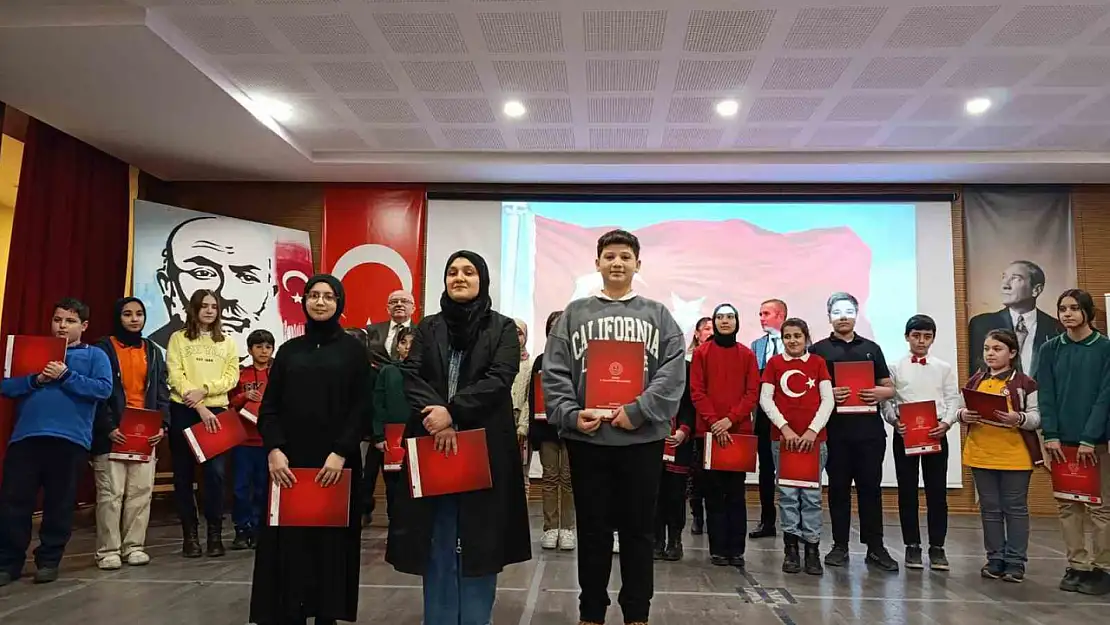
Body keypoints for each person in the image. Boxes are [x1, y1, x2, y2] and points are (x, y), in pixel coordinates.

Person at [543, 229, 685, 625]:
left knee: (639, 533)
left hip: (641, 441)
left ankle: (637, 613)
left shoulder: (659, 315)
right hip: (588, 440)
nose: (617, 263)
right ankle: (591, 613)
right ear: (597, 264)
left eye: (625, 256)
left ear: (638, 264)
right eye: (610, 256)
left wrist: (637, 411)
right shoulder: (573, 315)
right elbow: (554, 373)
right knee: (592, 532)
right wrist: (572, 415)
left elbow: (673, 374)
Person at [387, 251, 531, 625]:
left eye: (469, 272)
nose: (460, 278)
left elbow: (500, 378)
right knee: (437, 536)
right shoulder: (428, 327)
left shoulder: (501, 328)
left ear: (482, 279)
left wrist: (452, 412)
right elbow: (412, 375)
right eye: (452, 271)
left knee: (480, 540)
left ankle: (475, 618)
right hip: (433, 444)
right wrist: (439, 417)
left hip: (483, 448)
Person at [249, 275, 370, 625]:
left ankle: (326, 615)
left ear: (339, 303)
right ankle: (290, 613)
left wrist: (341, 452)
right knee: (290, 548)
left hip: (336, 464)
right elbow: (269, 408)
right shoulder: (289, 351)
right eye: (313, 295)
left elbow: (361, 408)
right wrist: (274, 449)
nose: (320, 302)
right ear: (304, 301)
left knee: (331, 549)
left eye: (328, 297)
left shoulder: (353, 352)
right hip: (289, 465)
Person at [0, 298, 112, 586]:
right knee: (14, 502)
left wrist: (66, 375)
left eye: (70, 321)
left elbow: (103, 390)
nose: (62, 325)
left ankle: (48, 561)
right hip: (26, 437)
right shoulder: (33, 350)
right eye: (58, 320)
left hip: (70, 440)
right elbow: (7, 386)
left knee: (58, 505)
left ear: (84, 326)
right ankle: (8, 562)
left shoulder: (95, 355)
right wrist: (35, 380)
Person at [808, 291, 899, 571]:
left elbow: (890, 387)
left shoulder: (872, 348)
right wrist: (829, 393)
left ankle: (876, 547)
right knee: (837, 490)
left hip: (870, 434)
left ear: (856, 314)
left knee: (870, 490)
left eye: (848, 311)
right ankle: (839, 546)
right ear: (829, 317)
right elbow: (808, 393)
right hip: (835, 433)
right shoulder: (818, 350)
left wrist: (878, 392)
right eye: (837, 312)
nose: (843, 317)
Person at [1036, 289, 1110, 595]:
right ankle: (1077, 564)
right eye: (1062, 308)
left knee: (1100, 506)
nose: (1067, 314)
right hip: (1060, 442)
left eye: (1074, 308)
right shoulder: (1050, 349)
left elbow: (1105, 397)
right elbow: (1046, 395)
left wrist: (1089, 438)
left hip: (1095, 442)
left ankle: (1103, 568)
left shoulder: (1105, 348)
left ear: (1088, 313)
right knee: (1068, 505)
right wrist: (1050, 434)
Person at [91, 297, 169, 570]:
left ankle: (134, 547)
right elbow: (99, 394)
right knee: (111, 494)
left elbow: (162, 392)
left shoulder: (153, 350)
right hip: (112, 432)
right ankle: (108, 551)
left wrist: (163, 425)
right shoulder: (102, 349)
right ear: (118, 317)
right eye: (127, 314)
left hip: (145, 434)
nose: (134, 319)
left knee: (140, 492)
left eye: (139, 314)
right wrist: (108, 427)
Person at [961, 328, 1042, 584]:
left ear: (1013, 353)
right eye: (987, 349)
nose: (990, 354)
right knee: (990, 509)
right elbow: (960, 409)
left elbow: (1037, 417)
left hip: (1015, 456)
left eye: (997, 349)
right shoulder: (976, 380)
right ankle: (995, 558)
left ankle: (1016, 562)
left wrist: (1018, 419)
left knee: (1015, 509)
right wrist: (963, 415)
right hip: (981, 453)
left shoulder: (1025, 383)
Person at [166, 289, 241, 558]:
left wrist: (206, 390)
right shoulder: (178, 339)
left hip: (217, 412)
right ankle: (190, 537)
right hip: (184, 410)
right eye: (204, 306)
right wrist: (198, 405)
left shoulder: (228, 342)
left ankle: (215, 535)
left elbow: (232, 377)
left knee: (216, 476)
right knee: (184, 476)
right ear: (194, 308)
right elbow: (175, 375)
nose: (209, 310)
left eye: (214, 306)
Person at [882, 314, 960, 570]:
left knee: (937, 492)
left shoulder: (943, 367)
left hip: (935, 431)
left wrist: (946, 423)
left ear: (933, 338)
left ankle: (937, 547)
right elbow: (888, 402)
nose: (921, 341)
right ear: (907, 337)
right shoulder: (895, 367)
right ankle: (911, 546)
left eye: (927, 336)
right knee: (907, 491)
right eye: (916, 336)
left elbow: (952, 400)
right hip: (906, 433)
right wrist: (895, 421)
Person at [759, 317, 833, 575]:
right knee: (788, 496)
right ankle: (791, 549)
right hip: (784, 442)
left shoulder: (818, 363)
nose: (792, 341)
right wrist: (785, 429)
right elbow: (766, 400)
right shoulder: (774, 364)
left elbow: (828, 400)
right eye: (787, 336)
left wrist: (812, 431)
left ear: (806, 338)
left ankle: (812, 549)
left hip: (813, 443)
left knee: (811, 497)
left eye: (797, 336)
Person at [690, 303, 760, 567]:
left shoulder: (746, 355)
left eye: (730, 317)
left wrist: (730, 420)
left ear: (737, 321)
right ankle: (718, 548)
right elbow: (697, 391)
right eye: (720, 317)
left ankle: (736, 550)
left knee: (735, 493)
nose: (725, 322)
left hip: (738, 433)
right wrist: (714, 422)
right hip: (708, 433)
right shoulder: (702, 353)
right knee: (713, 492)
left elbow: (752, 392)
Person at [967, 260, 1063, 377]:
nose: (1005, 285)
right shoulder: (981, 325)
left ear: (1036, 290)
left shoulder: (1057, 329)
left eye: (1015, 278)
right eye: (1004, 277)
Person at [530, 311, 576, 551]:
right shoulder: (539, 361)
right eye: (552, 325)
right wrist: (534, 433)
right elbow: (533, 397)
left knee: (568, 480)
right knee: (549, 478)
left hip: (571, 428)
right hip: (546, 430)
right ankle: (550, 528)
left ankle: (567, 529)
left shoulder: (577, 359)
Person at [228, 329, 274, 550]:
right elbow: (228, 403)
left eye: (267, 347)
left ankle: (258, 529)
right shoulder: (240, 374)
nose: (263, 351)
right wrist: (244, 396)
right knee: (240, 487)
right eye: (259, 346)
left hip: (267, 442)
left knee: (263, 487)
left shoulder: (277, 374)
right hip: (243, 441)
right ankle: (241, 528)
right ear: (249, 350)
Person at [655, 338, 696, 562]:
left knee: (675, 494)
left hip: (678, 440)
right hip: (652, 440)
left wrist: (683, 430)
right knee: (654, 494)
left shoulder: (687, 369)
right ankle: (657, 540)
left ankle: (675, 540)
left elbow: (691, 404)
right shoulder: (649, 368)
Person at [750, 298, 788, 539]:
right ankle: (767, 521)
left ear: (781, 316)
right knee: (766, 468)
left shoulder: (796, 343)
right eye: (760, 313)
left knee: (790, 468)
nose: (762, 318)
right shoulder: (756, 345)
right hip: (764, 415)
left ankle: (793, 523)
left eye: (766, 313)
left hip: (791, 414)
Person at [370, 325, 414, 523]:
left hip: (417, 437)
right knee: (394, 486)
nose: (407, 347)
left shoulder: (428, 372)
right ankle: (394, 527)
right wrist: (378, 435)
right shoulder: (388, 371)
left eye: (413, 343)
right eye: (403, 342)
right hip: (391, 439)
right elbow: (378, 405)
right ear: (397, 346)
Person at [685, 316, 712, 536]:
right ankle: (697, 516)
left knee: (711, 474)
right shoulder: (687, 361)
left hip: (714, 424)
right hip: (692, 423)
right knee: (695, 473)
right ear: (697, 334)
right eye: (706, 329)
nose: (710, 332)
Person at [366, 289, 415, 361]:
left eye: (404, 301)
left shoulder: (420, 331)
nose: (399, 304)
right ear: (388, 309)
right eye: (394, 302)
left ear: (413, 308)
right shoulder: (371, 330)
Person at [512, 318, 532, 475]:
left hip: (521, 420)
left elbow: (529, 397)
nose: (515, 337)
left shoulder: (530, 364)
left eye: (518, 333)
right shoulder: (499, 362)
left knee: (522, 472)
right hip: (502, 420)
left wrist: (523, 426)